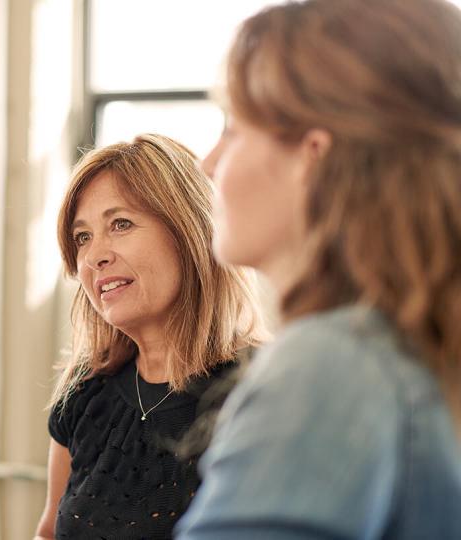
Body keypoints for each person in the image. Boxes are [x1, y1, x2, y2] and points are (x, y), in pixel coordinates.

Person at [175, 0, 461, 537]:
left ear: (314, 156)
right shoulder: (422, 357)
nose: (207, 162)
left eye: (234, 130)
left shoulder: (330, 365)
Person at [35, 134, 267, 539]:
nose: (93, 256)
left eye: (120, 224)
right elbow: (48, 532)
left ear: (189, 231)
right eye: (82, 237)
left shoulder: (264, 389)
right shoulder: (86, 390)